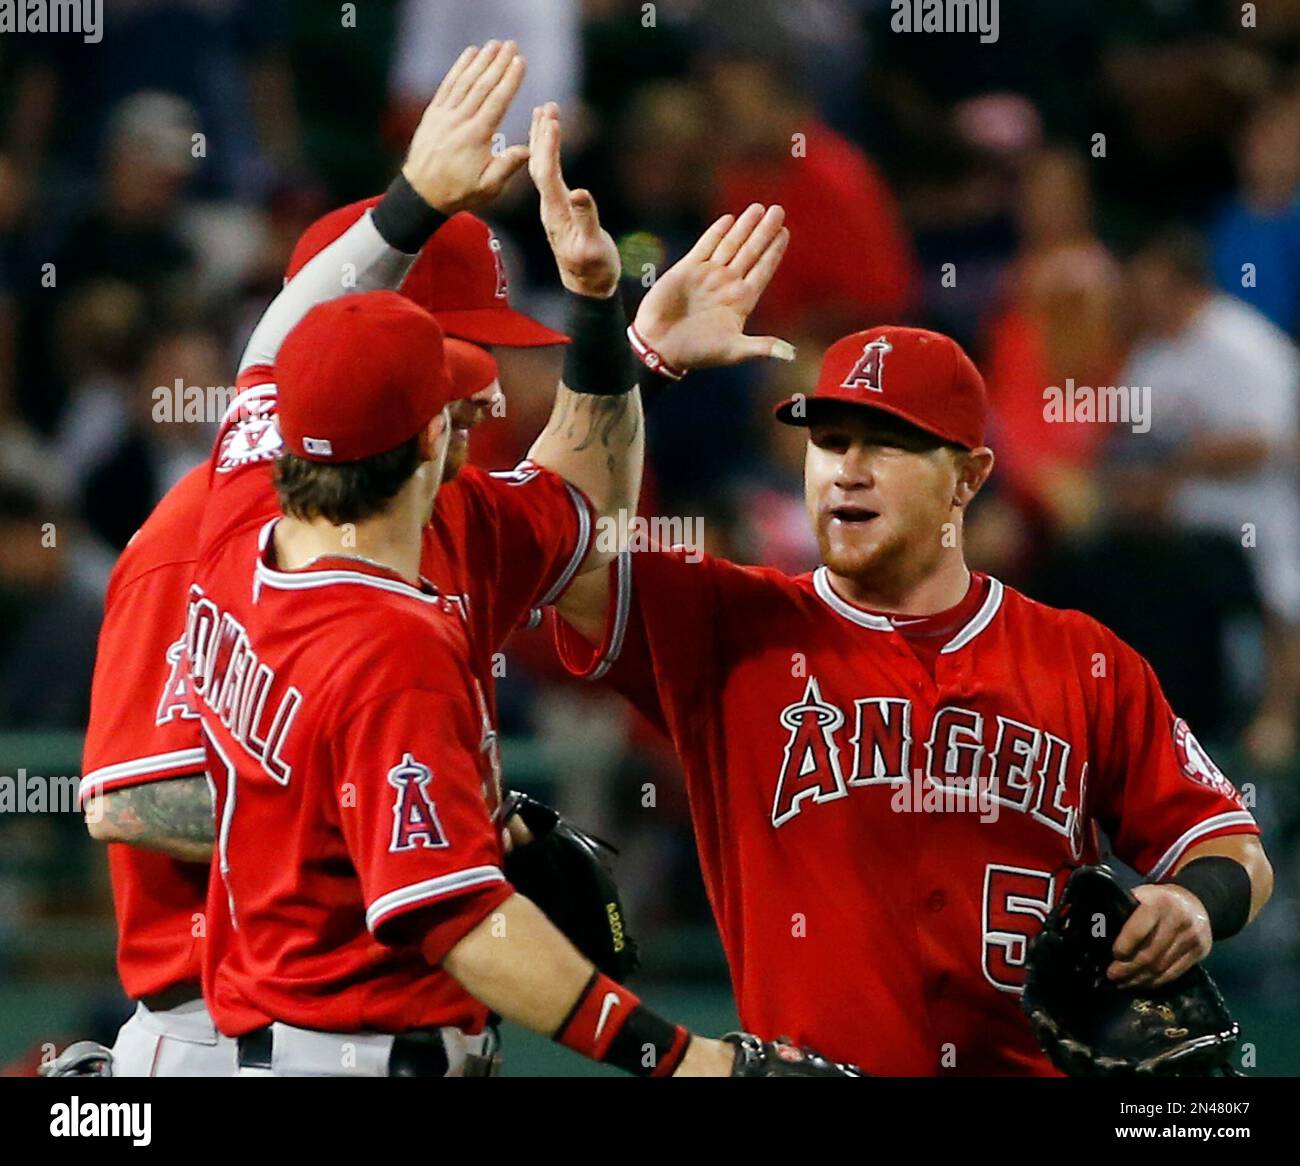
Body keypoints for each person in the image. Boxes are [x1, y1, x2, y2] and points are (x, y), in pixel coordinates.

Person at [79, 44, 790, 1075]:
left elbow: (585, 505)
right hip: (235, 1031)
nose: (486, 389)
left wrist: (628, 348)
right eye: (452, 352)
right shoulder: (196, 534)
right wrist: (397, 820)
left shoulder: (422, 506)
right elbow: (127, 799)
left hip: (421, 1018)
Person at [552, 323, 1275, 1076]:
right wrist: (640, 360)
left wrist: (1192, 905)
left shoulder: (1083, 659)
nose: (847, 471)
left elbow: (1232, 848)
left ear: (967, 476)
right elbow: (551, 544)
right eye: (830, 442)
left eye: (887, 444)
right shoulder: (726, 623)